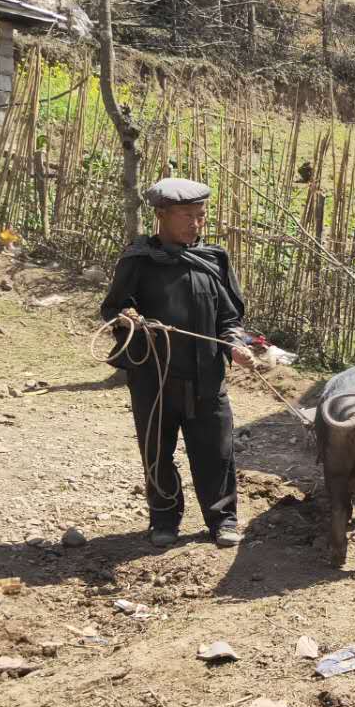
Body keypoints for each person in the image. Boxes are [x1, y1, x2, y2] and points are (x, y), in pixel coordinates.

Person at [101, 178, 254, 549]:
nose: (195, 223)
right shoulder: (138, 261)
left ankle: (222, 520)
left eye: (200, 216)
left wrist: (235, 343)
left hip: (206, 378)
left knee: (216, 451)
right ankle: (164, 519)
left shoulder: (213, 260)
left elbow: (230, 317)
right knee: (157, 451)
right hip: (154, 379)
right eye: (186, 215)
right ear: (161, 215)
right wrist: (130, 318)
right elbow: (112, 308)